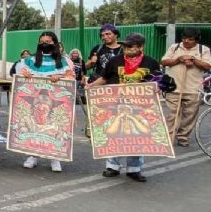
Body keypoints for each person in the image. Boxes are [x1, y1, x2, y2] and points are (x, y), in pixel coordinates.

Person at [88, 32, 162, 182]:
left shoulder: (151, 63)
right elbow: (104, 78)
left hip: (139, 106)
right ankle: (112, 167)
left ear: (141, 46)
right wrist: (91, 86)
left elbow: (158, 81)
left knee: (136, 136)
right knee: (114, 133)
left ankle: (134, 169)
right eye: (125, 45)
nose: (127, 48)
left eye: (131, 46)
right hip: (116, 104)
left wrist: (157, 87)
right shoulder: (115, 61)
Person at [15, 32, 76, 172]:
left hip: (54, 102)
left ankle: (55, 158)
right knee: (34, 126)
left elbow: (71, 77)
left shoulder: (65, 61)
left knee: (54, 126)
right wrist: (24, 74)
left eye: (48, 41)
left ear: (54, 43)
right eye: (42, 41)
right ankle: (32, 156)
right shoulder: (30, 60)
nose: (44, 44)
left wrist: (60, 77)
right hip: (34, 101)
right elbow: (19, 73)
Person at [161, 28, 211, 147]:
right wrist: (179, 59)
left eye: (190, 39)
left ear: (196, 40)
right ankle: (169, 137)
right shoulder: (175, 47)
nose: (186, 41)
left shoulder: (203, 50)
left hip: (193, 89)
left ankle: (183, 136)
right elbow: (164, 61)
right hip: (174, 88)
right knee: (172, 115)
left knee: (190, 115)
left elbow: (207, 66)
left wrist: (193, 60)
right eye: (184, 38)